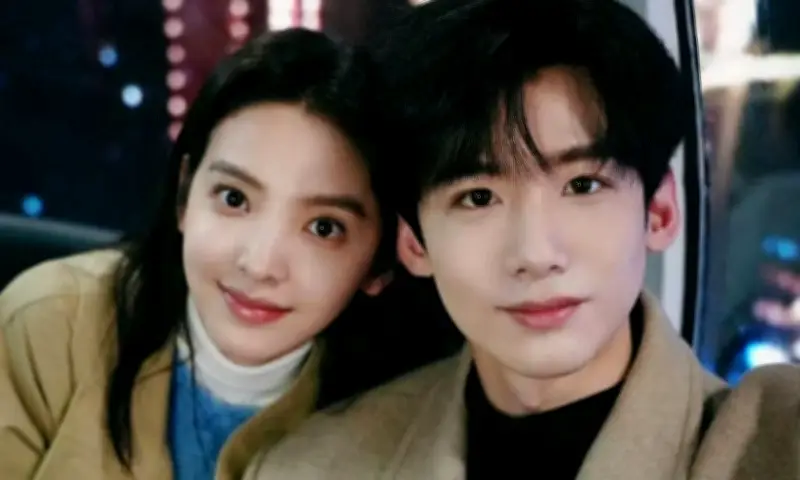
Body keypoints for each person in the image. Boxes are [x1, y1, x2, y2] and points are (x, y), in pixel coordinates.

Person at [245, 1, 800, 478]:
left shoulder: (771, 441)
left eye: (583, 185)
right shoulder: (311, 466)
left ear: (659, 211)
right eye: (477, 197)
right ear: (414, 242)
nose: (535, 255)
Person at [0, 28, 403, 480]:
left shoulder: (411, 426)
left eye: (324, 227)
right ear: (185, 194)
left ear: (381, 262)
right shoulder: (49, 324)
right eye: (234, 198)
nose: (259, 265)